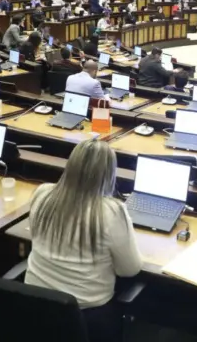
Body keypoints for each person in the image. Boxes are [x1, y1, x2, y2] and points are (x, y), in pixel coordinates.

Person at [26, 140, 141, 341]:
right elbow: (129, 269)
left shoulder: (42, 193)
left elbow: (35, 236)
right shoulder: (111, 211)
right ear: (108, 174)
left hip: (35, 306)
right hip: (87, 318)